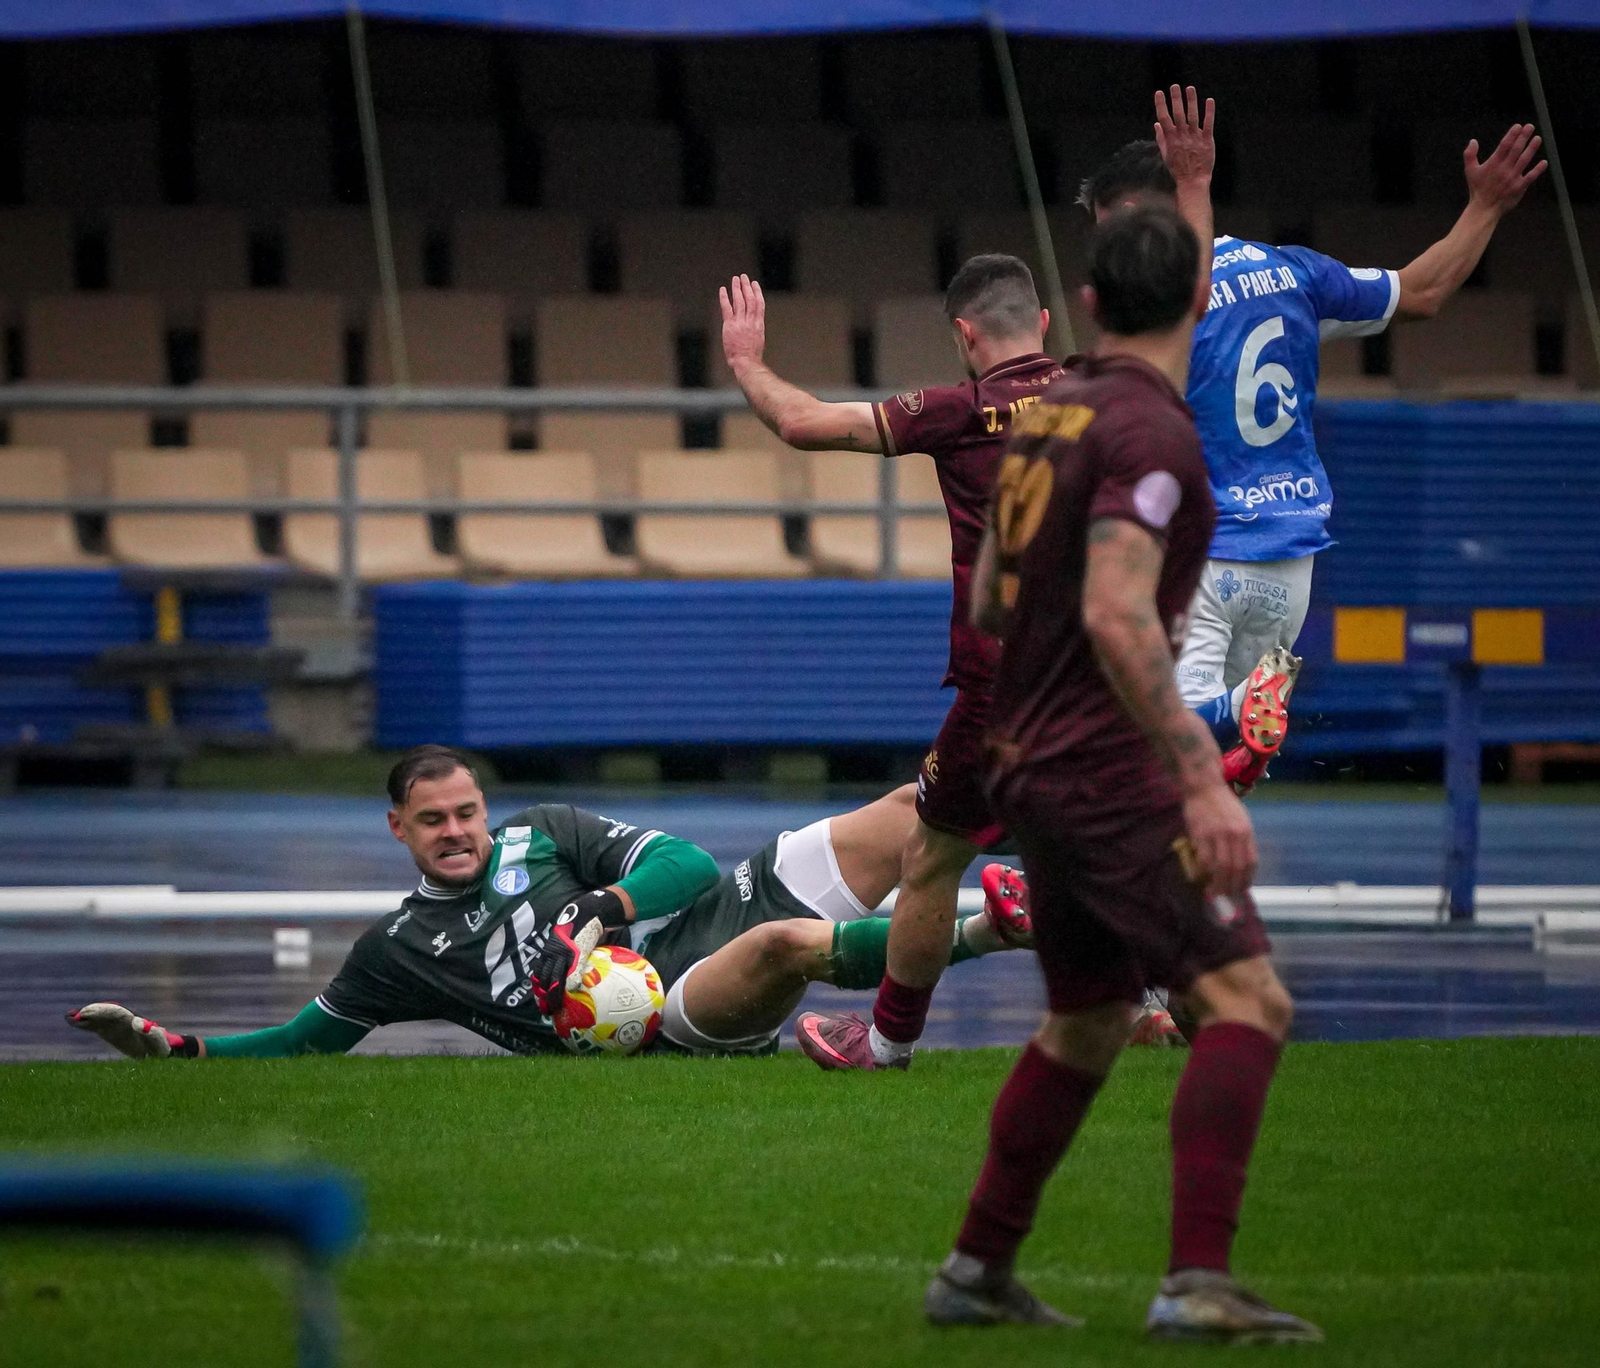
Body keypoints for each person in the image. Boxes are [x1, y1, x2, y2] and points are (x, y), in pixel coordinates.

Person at [719, 87, 1217, 1073]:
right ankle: (1192, 1005)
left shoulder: (951, 409)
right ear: (1040, 317)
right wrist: (1193, 185)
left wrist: (747, 364)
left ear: (962, 333)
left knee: (932, 859)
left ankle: (890, 1042)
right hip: (1103, 669)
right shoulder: (1099, 384)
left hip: (1002, 689)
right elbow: (1183, 303)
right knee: (1126, 850)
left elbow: (805, 424)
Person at [922, 205, 1319, 1344]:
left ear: (1087, 306)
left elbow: (997, 590)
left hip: (1024, 761)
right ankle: (1196, 1283)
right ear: (1198, 305)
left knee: (1087, 1020)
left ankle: (975, 1271)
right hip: (1104, 770)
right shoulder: (1155, 435)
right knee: (1248, 999)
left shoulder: (1049, 415)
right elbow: (1112, 606)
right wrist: (1199, 777)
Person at [1080, 121, 1548, 792]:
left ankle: (1238, 710)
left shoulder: (1162, 308)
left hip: (1204, 558)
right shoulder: (1292, 272)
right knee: (1196, 776)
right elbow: (1422, 292)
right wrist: (1486, 208)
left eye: (1116, 229)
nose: (1111, 252)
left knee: (1148, 728)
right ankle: (1113, 893)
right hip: (1290, 568)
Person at [68, 745, 1029, 1062]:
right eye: (433, 820)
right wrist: (174, 1047)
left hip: (692, 926)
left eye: (467, 812)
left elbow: (690, 865)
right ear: (397, 828)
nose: (457, 831)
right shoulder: (398, 947)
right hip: (665, 1023)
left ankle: (1057, 880)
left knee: (915, 810)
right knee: (786, 944)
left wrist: (604, 906)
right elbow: (302, 1042)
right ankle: (994, 926)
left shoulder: (541, 831)